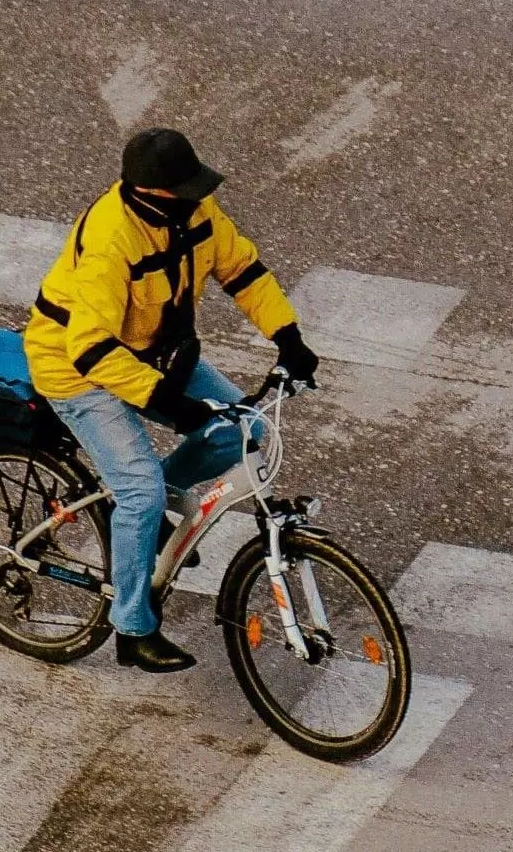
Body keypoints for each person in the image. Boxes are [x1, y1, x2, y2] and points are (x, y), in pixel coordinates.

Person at [24, 128, 320, 673]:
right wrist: (170, 402)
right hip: (78, 369)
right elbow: (89, 347)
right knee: (139, 491)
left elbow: (243, 271)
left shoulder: (195, 211)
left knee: (245, 430)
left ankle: (158, 502)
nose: (197, 196)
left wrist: (288, 338)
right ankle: (132, 627)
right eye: (185, 190)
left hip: (156, 354)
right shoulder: (113, 240)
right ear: (153, 195)